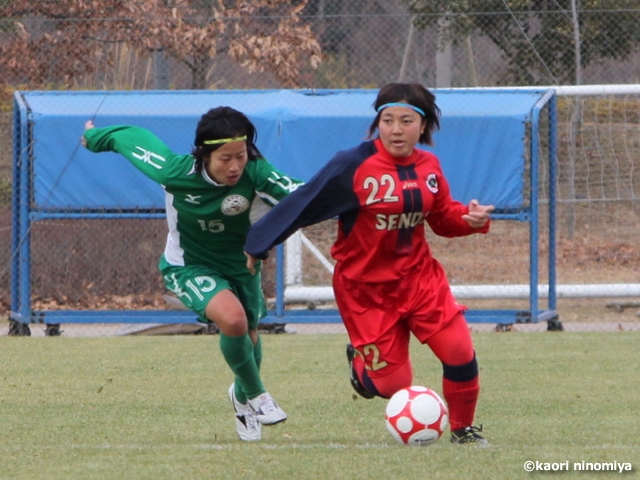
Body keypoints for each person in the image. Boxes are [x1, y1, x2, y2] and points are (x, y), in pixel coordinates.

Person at [244, 83, 494, 445]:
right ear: (378, 122)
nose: (395, 129)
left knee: (460, 352)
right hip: (366, 291)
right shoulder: (353, 165)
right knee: (394, 385)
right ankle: (361, 366)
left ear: (422, 126)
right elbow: (304, 202)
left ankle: (463, 431)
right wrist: (256, 244)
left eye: (406, 121)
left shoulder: (429, 166)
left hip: (420, 281)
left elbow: (441, 218)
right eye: (387, 119)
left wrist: (468, 218)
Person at [82, 106, 303, 442]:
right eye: (224, 158)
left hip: (241, 266)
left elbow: (303, 196)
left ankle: (241, 398)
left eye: (240, 156)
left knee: (252, 335)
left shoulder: (257, 173)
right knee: (234, 321)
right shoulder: (175, 171)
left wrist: (355, 197)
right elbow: (131, 139)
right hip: (187, 266)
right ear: (203, 154)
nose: (234, 166)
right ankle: (259, 396)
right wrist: (94, 137)